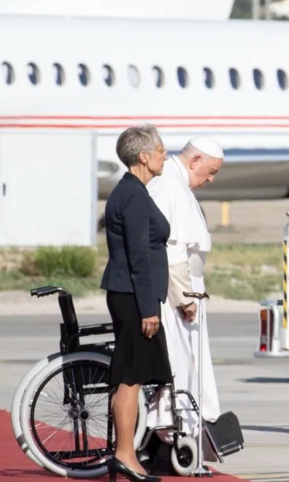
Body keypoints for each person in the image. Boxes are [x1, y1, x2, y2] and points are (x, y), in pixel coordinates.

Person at [102, 125, 171, 482]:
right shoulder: (133, 196)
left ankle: (125, 453)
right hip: (133, 297)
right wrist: (149, 308)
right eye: (160, 151)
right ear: (144, 156)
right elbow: (139, 257)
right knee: (129, 379)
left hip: (131, 293)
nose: (164, 156)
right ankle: (125, 455)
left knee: (131, 377)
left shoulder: (131, 192)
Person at [147, 137, 224, 440]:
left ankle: (181, 429)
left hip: (182, 286)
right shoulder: (170, 186)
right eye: (210, 171)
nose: (211, 179)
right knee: (180, 362)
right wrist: (185, 298)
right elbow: (173, 250)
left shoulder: (174, 182)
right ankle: (174, 433)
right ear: (195, 162)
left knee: (186, 361)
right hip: (176, 290)